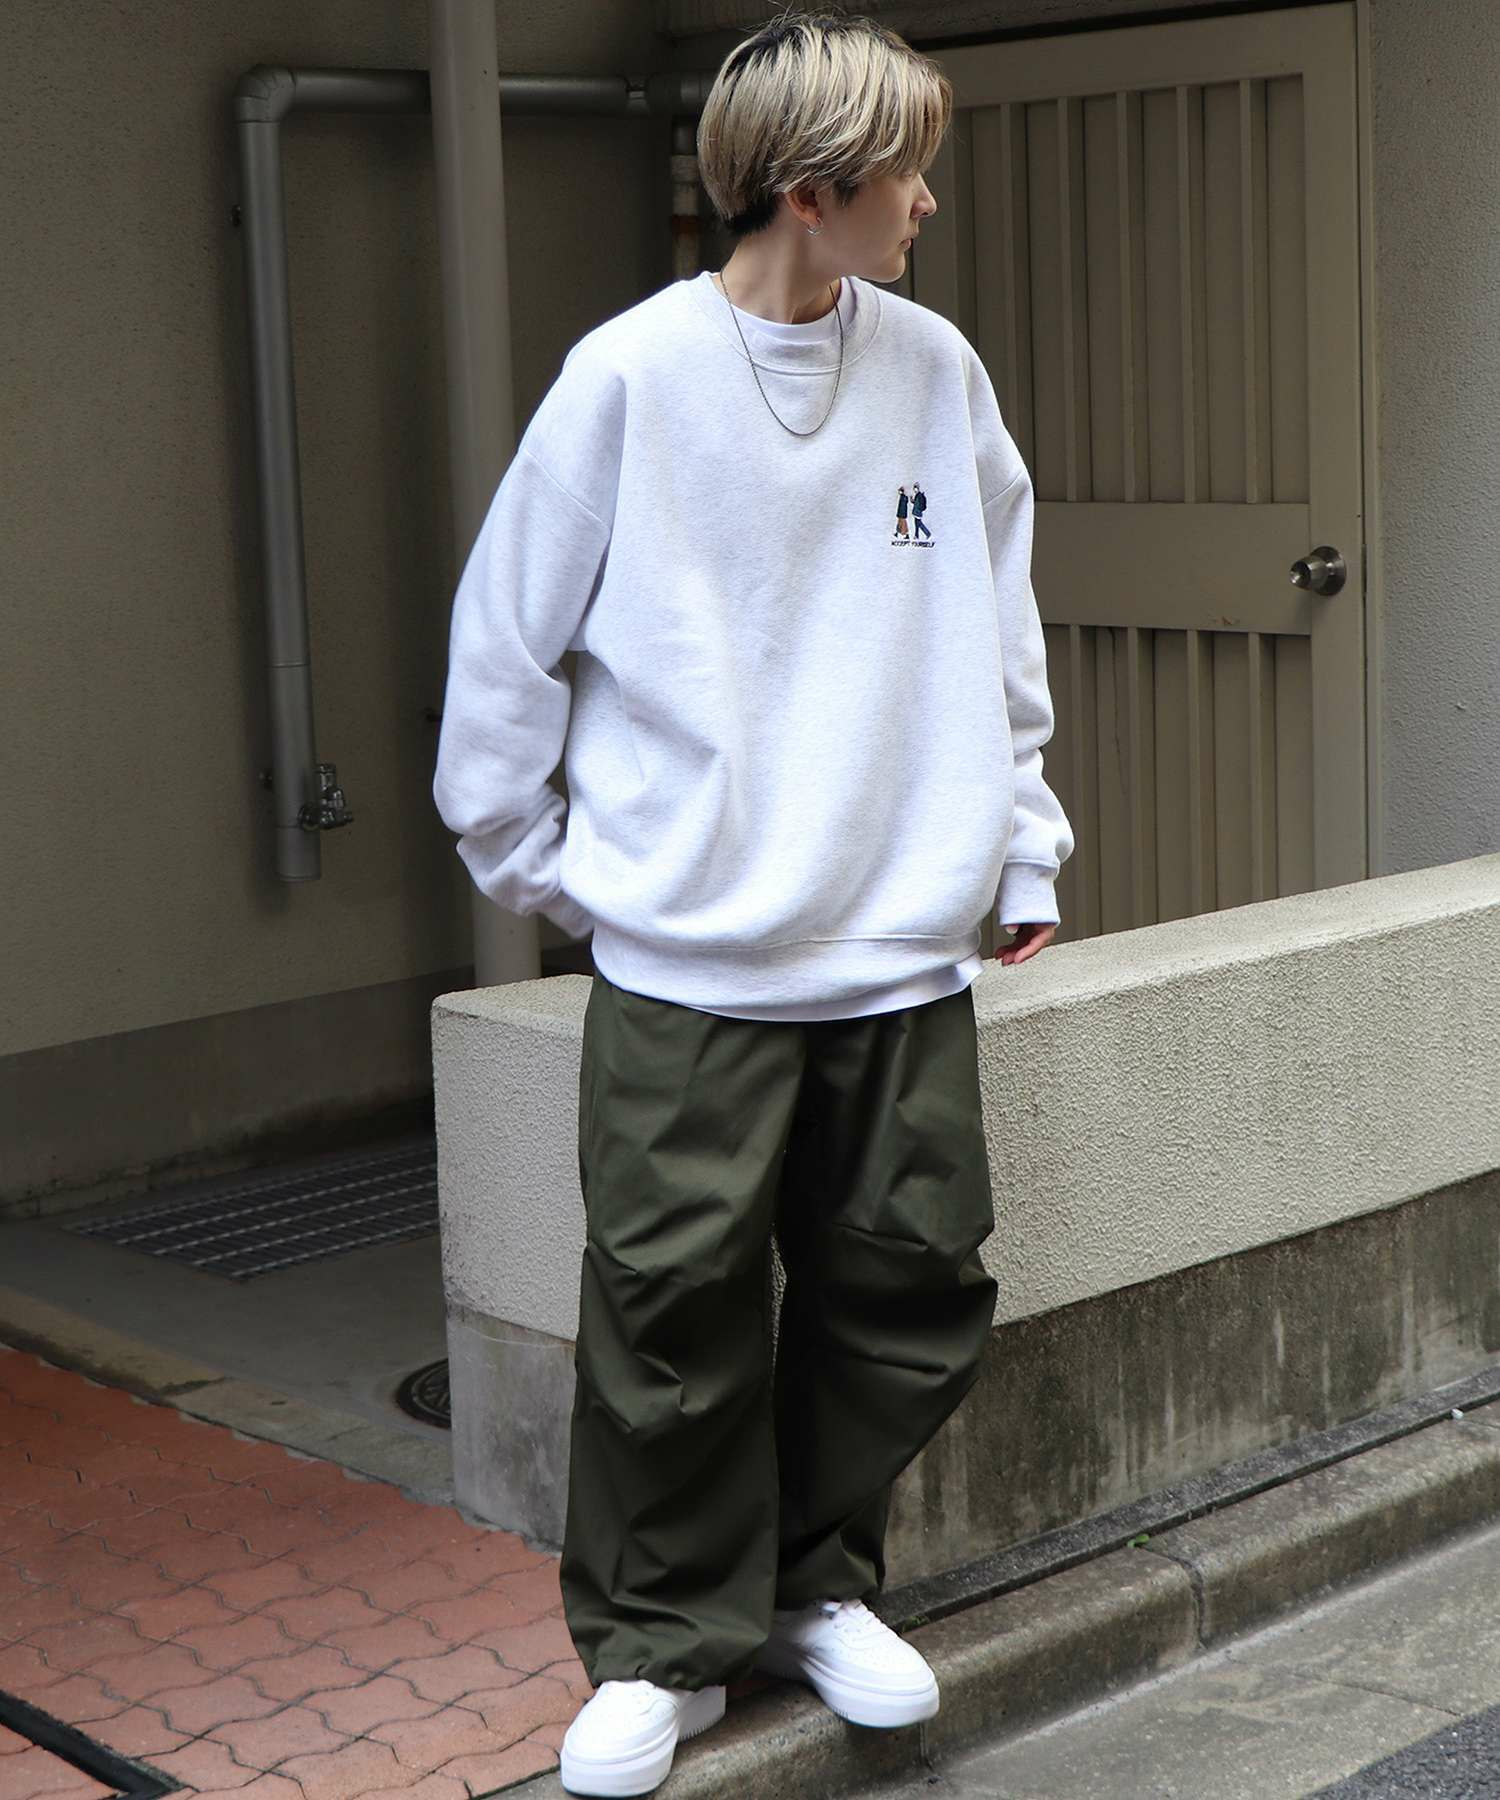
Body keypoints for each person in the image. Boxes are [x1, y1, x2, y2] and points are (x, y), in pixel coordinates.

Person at [431, 10, 1075, 1794]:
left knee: (908, 1282)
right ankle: (662, 1644)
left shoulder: (935, 370)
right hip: (688, 970)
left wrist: (1021, 845)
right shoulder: (629, 380)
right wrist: (558, 876)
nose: (927, 200)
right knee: (670, 1309)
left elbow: (998, 621)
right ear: (812, 189)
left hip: (897, 958)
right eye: (907, 173)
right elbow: (504, 650)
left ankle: (813, 1585)